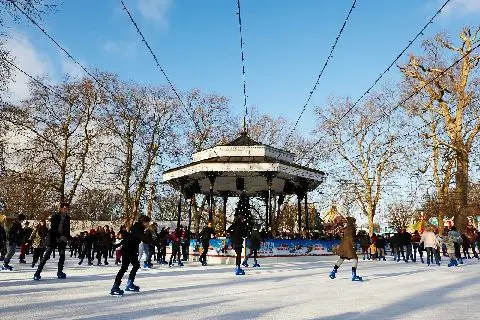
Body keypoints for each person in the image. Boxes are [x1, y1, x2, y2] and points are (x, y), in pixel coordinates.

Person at [110, 215, 158, 296]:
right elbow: (142, 237)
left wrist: (150, 240)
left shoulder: (138, 228)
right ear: (143, 222)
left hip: (130, 250)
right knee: (124, 268)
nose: (148, 224)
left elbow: (140, 238)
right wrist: (155, 242)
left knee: (136, 265)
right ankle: (115, 287)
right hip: (128, 250)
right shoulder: (137, 228)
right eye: (147, 222)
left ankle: (129, 284)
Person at [34, 202, 71, 280]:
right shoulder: (55, 217)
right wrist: (60, 237)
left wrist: (69, 238)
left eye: (67, 209)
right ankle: (37, 273)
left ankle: (60, 272)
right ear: (61, 209)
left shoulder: (68, 218)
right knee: (47, 256)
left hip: (62, 240)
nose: (66, 210)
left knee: (62, 255)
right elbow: (53, 229)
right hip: (53, 238)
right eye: (64, 208)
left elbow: (67, 230)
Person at [329, 217, 362, 281]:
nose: (355, 223)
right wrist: (353, 245)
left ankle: (333, 271)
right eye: (354, 222)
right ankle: (353, 274)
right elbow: (351, 237)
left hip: (343, 244)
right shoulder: (352, 228)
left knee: (342, 258)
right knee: (355, 258)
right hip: (349, 244)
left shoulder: (345, 228)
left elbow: (342, 235)